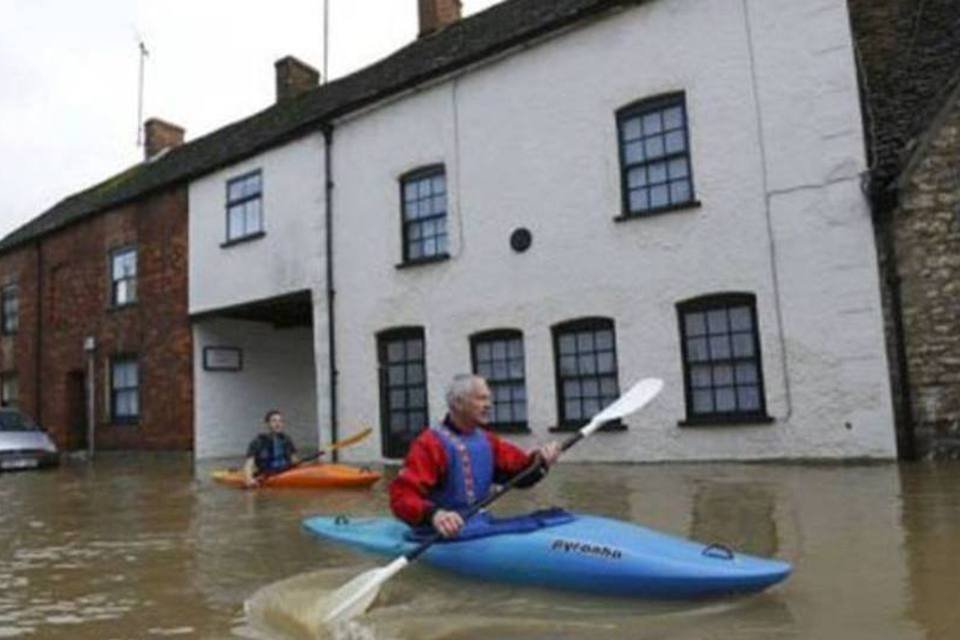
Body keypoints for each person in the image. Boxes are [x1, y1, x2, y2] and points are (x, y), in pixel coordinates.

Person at [389, 374, 561, 538]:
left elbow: (521, 476)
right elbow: (401, 497)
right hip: (438, 532)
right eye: (480, 398)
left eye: (488, 398)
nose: (488, 404)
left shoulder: (488, 440)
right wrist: (434, 515)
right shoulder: (429, 444)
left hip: (479, 524)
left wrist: (542, 461)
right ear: (458, 403)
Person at [243, 410, 300, 488]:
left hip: (287, 472)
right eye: (274, 421)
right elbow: (249, 464)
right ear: (267, 424)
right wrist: (249, 479)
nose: (278, 424)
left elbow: (295, 460)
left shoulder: (287, 440)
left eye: (280, 421)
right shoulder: (257, 442)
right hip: (267, 474)